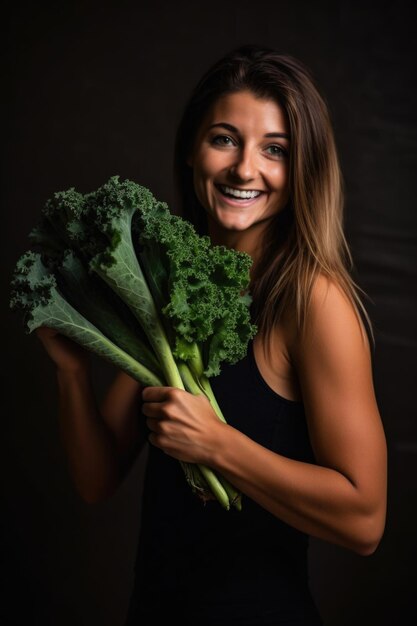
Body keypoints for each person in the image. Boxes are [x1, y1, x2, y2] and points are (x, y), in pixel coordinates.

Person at [36, 44, 387, 625]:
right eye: (224, 138)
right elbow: (97, 480)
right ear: (192, 149)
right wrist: (73, 371)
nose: (245, 169)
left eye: (274, 150)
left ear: (302, 169)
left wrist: (217, 444)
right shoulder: (167, 280)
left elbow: (365, 521)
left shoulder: (312, 300)